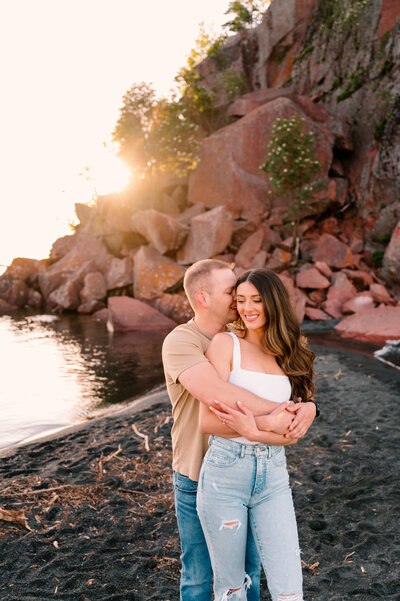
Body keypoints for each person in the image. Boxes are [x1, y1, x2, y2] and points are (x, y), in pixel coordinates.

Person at [162, 260, 317, 601]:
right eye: (232, 292)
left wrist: (308, 406)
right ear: (203, 298)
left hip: (263, 469)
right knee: (200, 574)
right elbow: (216, 396)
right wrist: (281, 413)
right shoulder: (183, 341)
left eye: (250, 296)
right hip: (198, 471)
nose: (240, 301)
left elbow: (296, 387)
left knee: (251, 572)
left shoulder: (246, 337)